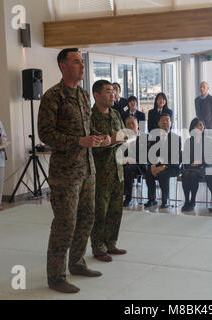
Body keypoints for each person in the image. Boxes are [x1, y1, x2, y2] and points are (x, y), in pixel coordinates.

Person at [38, 48, 109, 294]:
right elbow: (46, 134)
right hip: (65, 173)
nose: (81, 66)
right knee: (65, 222)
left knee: (87, 217)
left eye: (82, 62)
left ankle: (77, 263)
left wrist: (100, 138)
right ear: (62, 66)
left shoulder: (81, 94)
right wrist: (78, 142)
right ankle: (56, 276)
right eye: (76, 62)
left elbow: (85, 131)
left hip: (87, 169)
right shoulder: (53, 96)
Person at [90, 79, 128, 263]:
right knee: (100, 211)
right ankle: (98, 247)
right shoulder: (90, 116)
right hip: (100, 171)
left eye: (113, 91)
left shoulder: (115, 113)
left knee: (115, 209)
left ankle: (111, 243)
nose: (113, 94)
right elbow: (98, 142)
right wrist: (112, 139)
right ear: (96, 95)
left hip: (117, 168)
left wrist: (115, 139)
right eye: (107, 91)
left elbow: (121, 135)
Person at [144, 113, 181, 209]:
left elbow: (175, 157)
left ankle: (165, 200)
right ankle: (152, 199)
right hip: (157, 166)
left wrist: (162, 167)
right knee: (148, 173)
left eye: (167, 120)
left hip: (172, 167)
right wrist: (152, 166)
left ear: (171, 123)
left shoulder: (176, 138)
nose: (165, 122)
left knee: (163, 173)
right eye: (162, 120)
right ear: (158, 123)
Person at [181, 117, 212, 212]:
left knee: (193, 174)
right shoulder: (189, 141)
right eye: (197, 125)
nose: (200, 127)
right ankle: (187, 201)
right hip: (191, 166)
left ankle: (193, 201)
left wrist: (199, 162)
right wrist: (190, 163)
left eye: (201, 125)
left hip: (204, 167)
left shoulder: (209, 140)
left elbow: (210, 158)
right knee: (186, 174)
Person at [122, 116, 148, 207]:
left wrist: (132, 160)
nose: (130, 126)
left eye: (132, 123)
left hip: (140, 165)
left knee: (127, 169)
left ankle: (128, 197)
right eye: (128, 124)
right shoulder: (124, 139)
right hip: (127, 164)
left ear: (137, 125)